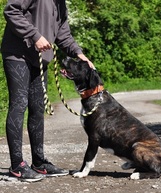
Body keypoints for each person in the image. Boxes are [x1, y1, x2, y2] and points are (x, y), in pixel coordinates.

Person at [1, 0, 95, 182]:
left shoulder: (60, 3)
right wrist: (35, 36)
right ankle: (17, 165)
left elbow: (62, 33)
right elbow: (11, 10)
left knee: (37, 108)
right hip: (17, 54)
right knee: (19, 104)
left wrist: (79, 54)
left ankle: (39, 162)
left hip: (40, 59)